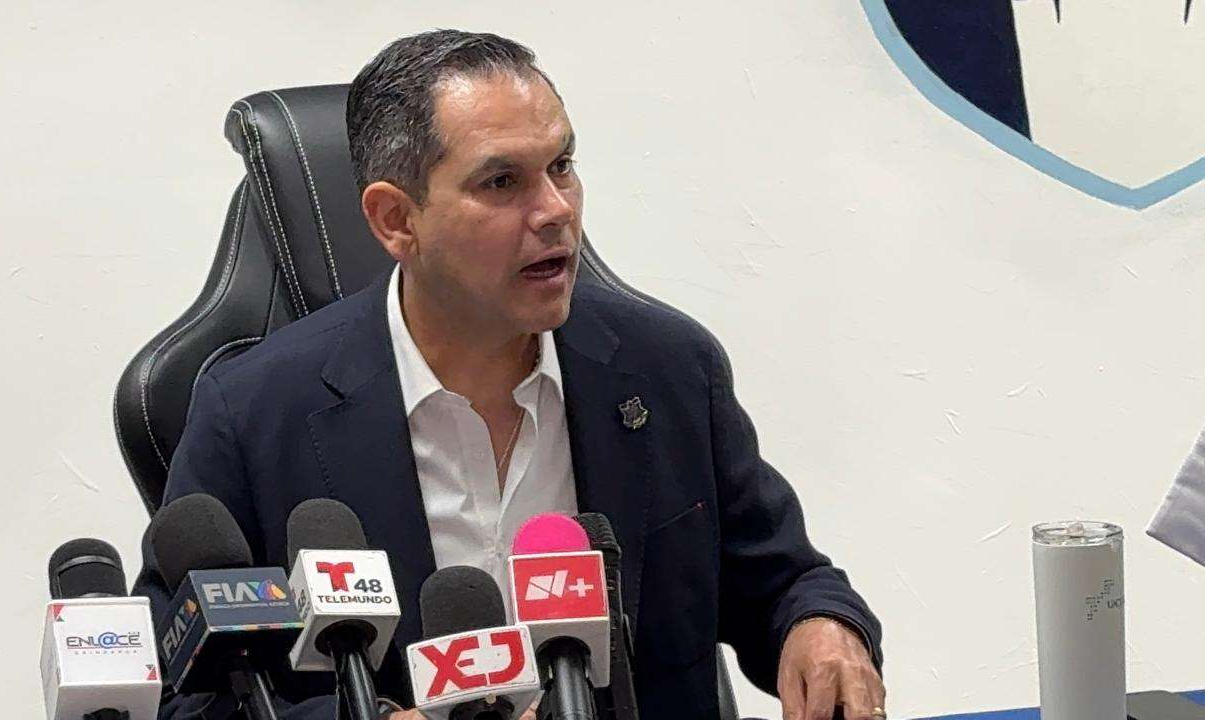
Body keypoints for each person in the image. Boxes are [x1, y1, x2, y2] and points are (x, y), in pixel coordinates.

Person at [135, 29, 886, 720]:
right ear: (396, 220)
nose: (556, 209)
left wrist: (822, 626)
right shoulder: (251, 415)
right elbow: (181, 699)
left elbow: (784, 581)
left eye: (562, 166)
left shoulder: (667, 371)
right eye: (502, 182)